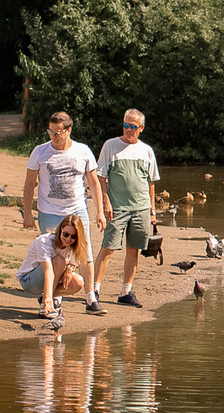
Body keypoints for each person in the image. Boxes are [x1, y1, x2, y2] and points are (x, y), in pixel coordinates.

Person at [21, 111, 103, 312]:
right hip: (49, 211)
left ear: (69, 130)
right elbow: (30, 183)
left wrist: (100, 211)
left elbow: (93, 183)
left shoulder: (82, 151)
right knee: (55, 254)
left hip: (77, 210)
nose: (54, 137)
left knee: (84, 253)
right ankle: (53, 298)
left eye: (58, 133)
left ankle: (91, 298)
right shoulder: (40, 152)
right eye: (51, 132)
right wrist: (28, 213)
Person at [94, 107, 160, 307]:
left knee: (134, 250)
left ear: (142, 128)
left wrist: (153, 210)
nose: (128, 129)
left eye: (133, 126)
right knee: (108, 248)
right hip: (117, 208)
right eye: (126, 125)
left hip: (141, 208)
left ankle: (126, 292)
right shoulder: (110, 145)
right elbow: (100, 176)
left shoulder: (147, 150)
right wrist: (105, 201)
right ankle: (94, 290)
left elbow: (151, 182)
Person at [17, 213, 91, 326]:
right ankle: (46, 303)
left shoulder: (74, 246)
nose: (68, 239)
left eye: (73, 236)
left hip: (50, 277)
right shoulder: (45, 242)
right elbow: (48, 271)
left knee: (78, 282)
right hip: (29, 280)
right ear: (60, 230)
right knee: (59, 261)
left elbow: (73, 263)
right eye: (66, 234)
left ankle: (46, 299)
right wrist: (48, 299)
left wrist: (69, 270)